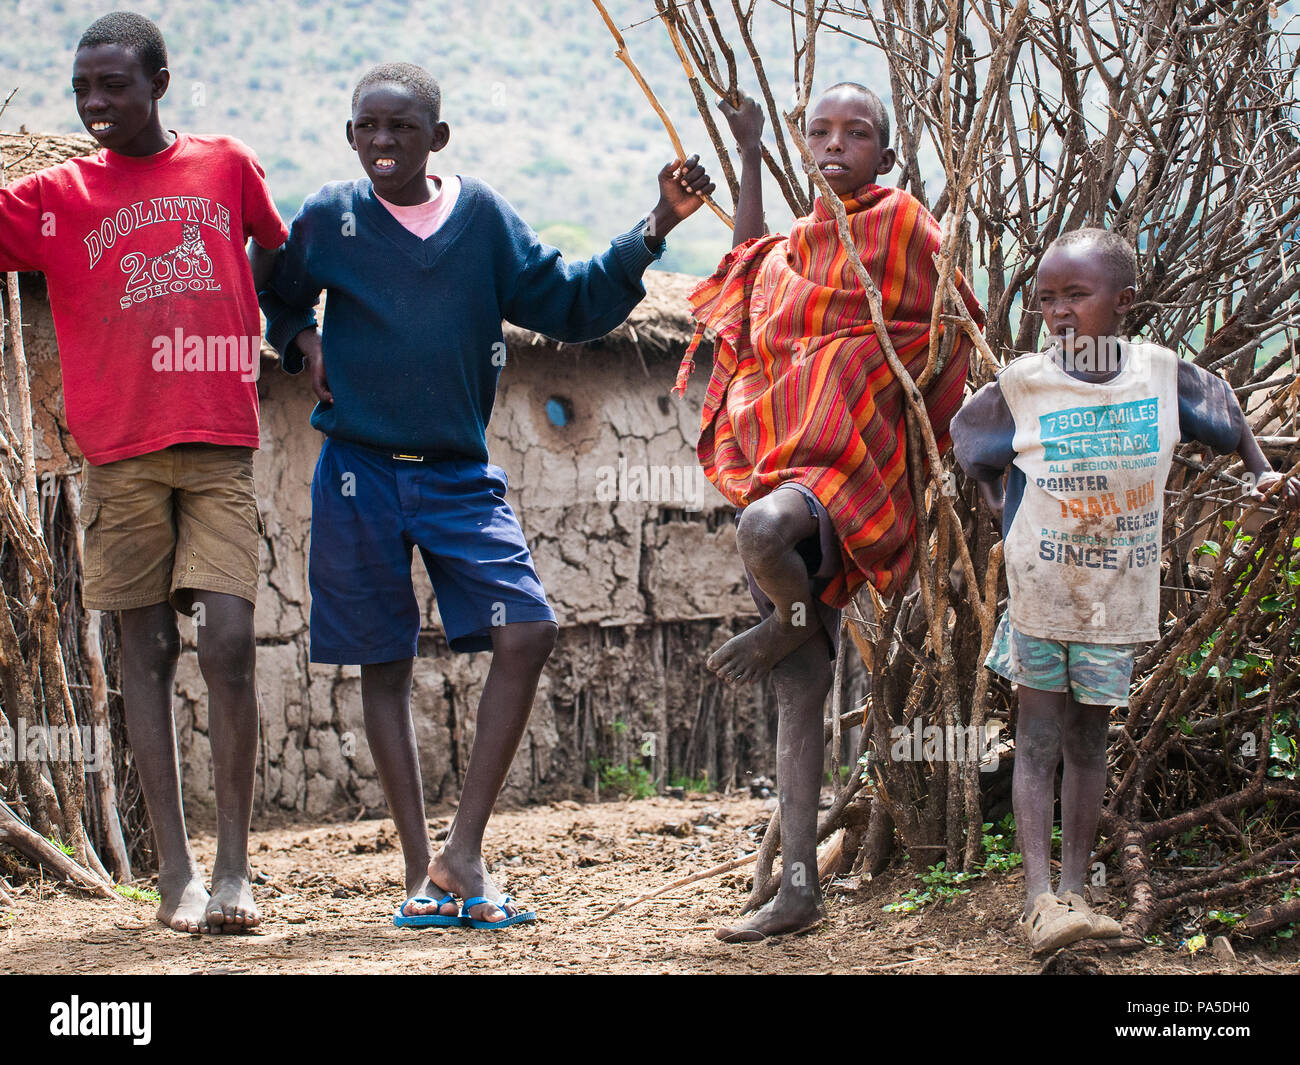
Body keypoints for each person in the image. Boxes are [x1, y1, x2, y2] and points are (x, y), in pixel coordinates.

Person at [258, 62, 715, 929]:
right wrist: (300, 339)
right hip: (356, 469)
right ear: (350, 134)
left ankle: (460, 851)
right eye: (367, 128)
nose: (383, 144)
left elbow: (574, 303)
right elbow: (273, 286)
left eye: (401, 128)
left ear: (439, 137)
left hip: (457, 475)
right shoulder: (328, 217)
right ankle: (423, 874)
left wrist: (657, 223)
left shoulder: (482, 222)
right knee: (383, 663)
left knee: (528, 626)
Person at [0, 11, 288, 933]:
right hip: (118, 454)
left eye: (114, 85)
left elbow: (280, 257)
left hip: (216, 439)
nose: (94, 104)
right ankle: (177, 876)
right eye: (83, 87)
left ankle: (237, 868)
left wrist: (300, 334)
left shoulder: (226, 166)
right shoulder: (56, 195)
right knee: (148, 652)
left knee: (230, 642)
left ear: (159, 82)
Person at [675, 84, 983, 941]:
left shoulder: (907, 226)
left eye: (858, 133)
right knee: (801, 683)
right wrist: (746, 148)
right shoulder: (795, 245)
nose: (836, 144)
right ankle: (800, 886)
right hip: (779, 454)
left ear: (886, 153)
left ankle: (788, 616)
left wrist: (863, 364)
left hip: (853, 464)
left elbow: (951, 324)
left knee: (762, 531)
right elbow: (744, 273)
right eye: (820, 132)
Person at [951, 226, 1300, 953]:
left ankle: (1078, 889)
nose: (1059, 313)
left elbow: (1227, 417)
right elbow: (968, 439)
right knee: (1039, 737)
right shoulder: (1025, 384)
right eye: (1047, 299)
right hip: (1044, 591)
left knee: (1089, 738)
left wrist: (1262, 471)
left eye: (1077, 295)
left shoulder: (1161, 376)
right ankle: (1040, 899)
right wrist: (1000, 507)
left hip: (1117, 593)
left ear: (1125, 302)